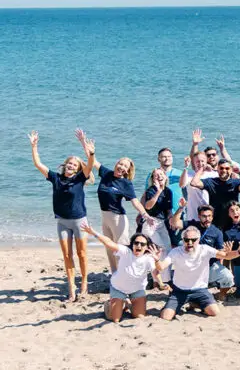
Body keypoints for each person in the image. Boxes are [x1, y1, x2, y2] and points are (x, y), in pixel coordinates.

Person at [29, 129, 95, 302]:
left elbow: (90, 163)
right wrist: (34, 146)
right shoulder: (55, 178)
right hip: (62, 222)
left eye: (74, 164)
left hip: (80, 221)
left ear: (78, 168)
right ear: (65, 165)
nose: (71, 166)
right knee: (67, 255)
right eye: (69, 164)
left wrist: (86, 147)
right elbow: (38, 164)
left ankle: (84, 284)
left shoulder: (80, 178)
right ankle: (72, 288)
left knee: (82, 254)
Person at [157, 226, 240, 320]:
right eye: (186, 240)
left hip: (200, 290)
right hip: (179, 291)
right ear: (183, 240)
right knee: (165, 317)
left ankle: (195, 303)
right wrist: (157, 260)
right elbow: (161, 267)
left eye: (193, 240)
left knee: (214, 312)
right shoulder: (175, 252)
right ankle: (184, 304)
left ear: (198, 240)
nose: (190, 243)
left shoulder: (205, 249)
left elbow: (225, 255)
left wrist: (239, 252)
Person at [80, 224, 165, 322]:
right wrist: (93, 233)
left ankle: (127, 303)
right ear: (132, 244)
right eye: (136, 243)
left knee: (139, 316)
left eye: (142, 244)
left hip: (137, 290)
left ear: (146, 247)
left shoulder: (149, 258)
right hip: (118, 288)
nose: (139, 246)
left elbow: (156, 272)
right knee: (115, 319)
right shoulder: (125, 251)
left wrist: (161, 283)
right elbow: (109, 243)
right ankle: (108, 304)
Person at [93, 148, 153, 272]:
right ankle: (115, 276)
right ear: (116, 164)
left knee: (120, 249)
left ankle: (125, 273)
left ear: (127, 171)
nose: (121, 167)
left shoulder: (126, 184)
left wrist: (145, 215)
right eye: (120, 164)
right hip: (105, 217)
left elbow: (135, 201)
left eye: (125, 166)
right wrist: (86, 146)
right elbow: (93, 161)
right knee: (109, 248)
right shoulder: (106, 174)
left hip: (118, 219)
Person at [169, 204, 234, 300]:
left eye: (209, 216)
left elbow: (220, 252)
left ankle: (221, 293)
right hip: (190, 265)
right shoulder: (192, 225)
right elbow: (174, 223)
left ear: (212, 216)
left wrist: (226, 252)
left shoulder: (217, 232)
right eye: (204, 216)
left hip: (209, 266)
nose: (207, 219)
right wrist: (181, 208)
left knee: (228, 277)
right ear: (199, 216)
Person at [141, 168, 180, 287]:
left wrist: (172, 219)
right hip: (150, 223)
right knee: (159, 249)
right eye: (156, 175)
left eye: (161, 174)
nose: (159, 176)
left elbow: (168, 210)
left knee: (168, 249)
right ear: (153, 179)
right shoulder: (151, 190)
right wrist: (158, 191)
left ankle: (165, 280)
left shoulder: (168, 191)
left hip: (162, 223)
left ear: (166, 176)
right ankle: (157, 281)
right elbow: (148, 206)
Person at [190, 158, 240, 230]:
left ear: (231, 170)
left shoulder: (236, 182)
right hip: (216, 221)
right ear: (217, 169)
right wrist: (202, 169)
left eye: (227, 168)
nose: (224, 170)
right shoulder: (211, 181)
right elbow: (194, 183)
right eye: (221, 168)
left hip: (232, 220)